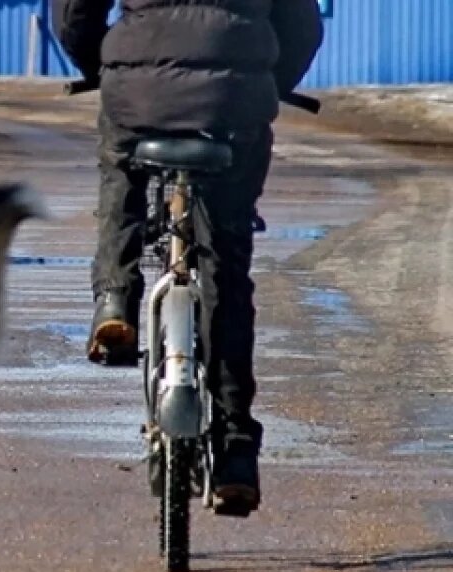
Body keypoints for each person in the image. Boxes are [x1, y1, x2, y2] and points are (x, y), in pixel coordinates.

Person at [54, 0, 323, 516]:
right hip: (236, 103)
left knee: (121, 173)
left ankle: (115, 300)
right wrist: (267, 78)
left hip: (136, 94)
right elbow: (302, 27)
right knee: (227, 258)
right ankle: (236, 450)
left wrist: (105, 68)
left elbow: (74, 14)